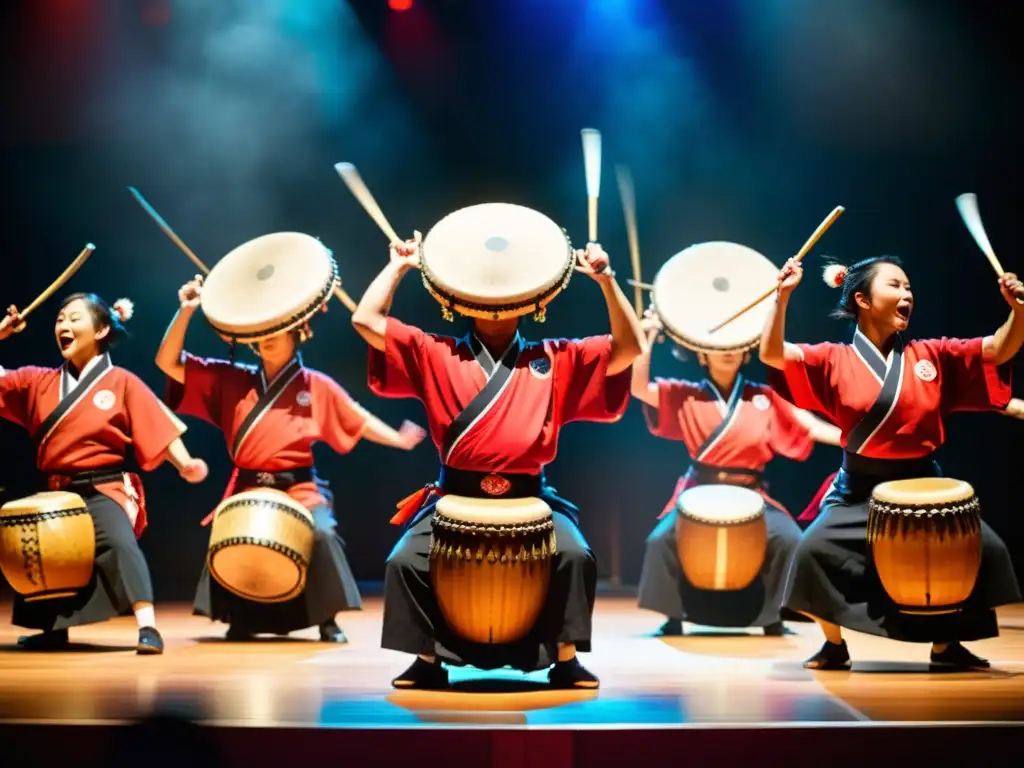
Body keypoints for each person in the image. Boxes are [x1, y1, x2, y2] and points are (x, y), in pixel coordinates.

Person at [351, 238, 645, 690]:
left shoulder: (555, 356)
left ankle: (565, 660)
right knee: (404, 562)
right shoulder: (435, 351)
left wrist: (606, 281)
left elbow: (629, 347)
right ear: (461, 301)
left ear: (531, 302)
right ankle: (427, 660)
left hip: (530, 496)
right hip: (454, 495)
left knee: (575, 555)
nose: (494, 306)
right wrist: (398, 268)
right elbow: (365, 320)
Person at [760, 254, 1024, 669]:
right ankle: (833, 646)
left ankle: (946, 646)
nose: (907, 294)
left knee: (981, 549)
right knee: (812, 551)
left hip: (923, 483)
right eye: (896, 286)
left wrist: (1018, 311)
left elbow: (997, 348)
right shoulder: (833, 358)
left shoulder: (931, 355)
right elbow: (773, 354)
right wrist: (782, 297)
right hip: (858, 489)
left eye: (909, 288)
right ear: (863, 300)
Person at [157, 275, 427, 643]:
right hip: (248, 486)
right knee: (233, 534)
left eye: (276, 329)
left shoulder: (314, 384)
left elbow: (357, 417)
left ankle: (327, 618)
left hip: (298, 487)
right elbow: (167, 361)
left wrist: (397, 439)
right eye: (262, 330)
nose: (267, 336)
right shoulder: (230, 378)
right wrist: (186, 310)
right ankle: (240, 616)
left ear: (297, 331)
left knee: (322, 532)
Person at [0, 295, 208, 654]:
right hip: (57, 490)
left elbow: (158, 425)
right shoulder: (37, 381)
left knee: (119, 542)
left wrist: (185, 462)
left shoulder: (121, 381)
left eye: (74, 319)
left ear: (101, 329)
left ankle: (148, 627)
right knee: (38, 548)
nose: (63, 326)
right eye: (60, 320)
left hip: (103, 488)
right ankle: (51, 628)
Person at [633, 308, 841, 636]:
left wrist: (853, 439)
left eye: (735, 346)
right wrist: (646, 336)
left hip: (751, 492)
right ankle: (673, 614)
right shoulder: (686, 394)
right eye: (718, 346)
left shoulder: (766, 396)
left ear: (746, 354)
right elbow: (639, 388)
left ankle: (773, 616)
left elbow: (810, 426)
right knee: (661, 539)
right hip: (698, 490)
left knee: (789, 538)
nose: (728, 352)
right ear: (702, 355)